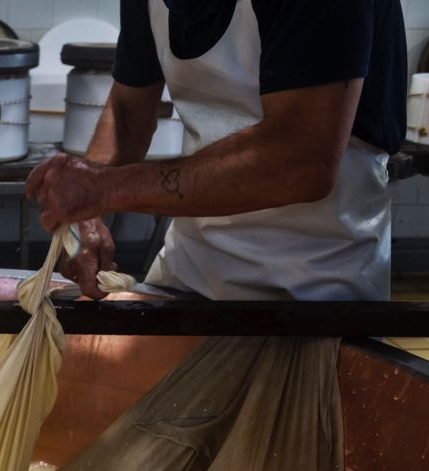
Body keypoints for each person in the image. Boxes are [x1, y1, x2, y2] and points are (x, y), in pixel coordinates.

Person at [27, 0, 406, 302]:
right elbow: (128, 112)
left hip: (317, 287)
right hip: (192, 271)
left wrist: (105, 188)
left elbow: (300, 160)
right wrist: (84, 220)